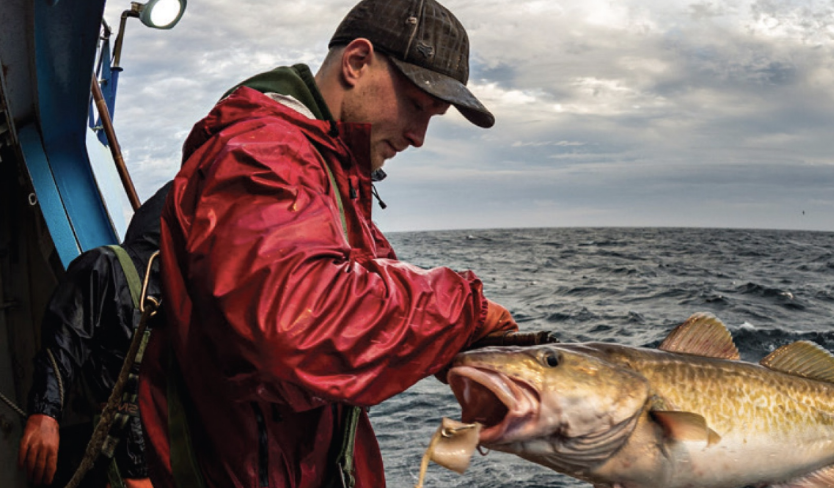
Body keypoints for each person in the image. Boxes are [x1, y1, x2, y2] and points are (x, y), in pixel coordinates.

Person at [138, 1, 518, 487]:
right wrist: (465, 311)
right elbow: (297, 321)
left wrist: (452, 348)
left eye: (433, 116)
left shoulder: (328, 173)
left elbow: (370, 289)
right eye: (416, 104)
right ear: (356, 63)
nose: (419, 136)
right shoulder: (264, 153)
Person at [18, 182, 171, 488]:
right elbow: (64, 336)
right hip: (119, 450)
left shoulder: (187, 300)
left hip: (161, 449)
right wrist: (45, 412)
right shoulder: (107, 268)